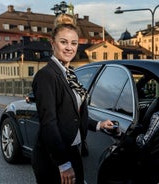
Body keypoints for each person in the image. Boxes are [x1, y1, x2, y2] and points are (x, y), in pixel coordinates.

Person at [31, 13, 115, 184]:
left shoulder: (70, 75)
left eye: (74, 43)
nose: (69, 48)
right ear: (52, 43)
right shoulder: (46, 75)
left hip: (73, 151)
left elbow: (72, 114)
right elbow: (49, 123)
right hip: (53, 158)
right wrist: (62, 164)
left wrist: (97, 124)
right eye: (64, 42)